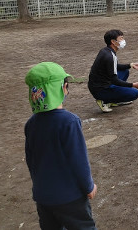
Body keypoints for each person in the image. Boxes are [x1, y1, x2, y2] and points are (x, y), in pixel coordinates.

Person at [24, 62, 97, 229]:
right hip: (70, 197)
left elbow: (31, 160)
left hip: (43, 195)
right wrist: (88, 185)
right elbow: (78, 160)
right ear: (63, 88)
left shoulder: (31, 123)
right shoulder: (69, 121)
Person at [88, 29, 138, 113]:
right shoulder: (110, 56)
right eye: (121, 38)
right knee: (134, 93)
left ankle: (112, 98)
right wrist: (133, 85)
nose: (123, 41)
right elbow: (114, 80)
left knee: (125, 71)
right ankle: (104, 100)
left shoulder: (105, 51)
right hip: (100, 90)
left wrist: (131, 65)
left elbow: (114, 67)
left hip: (97, 85)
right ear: (113, 42)